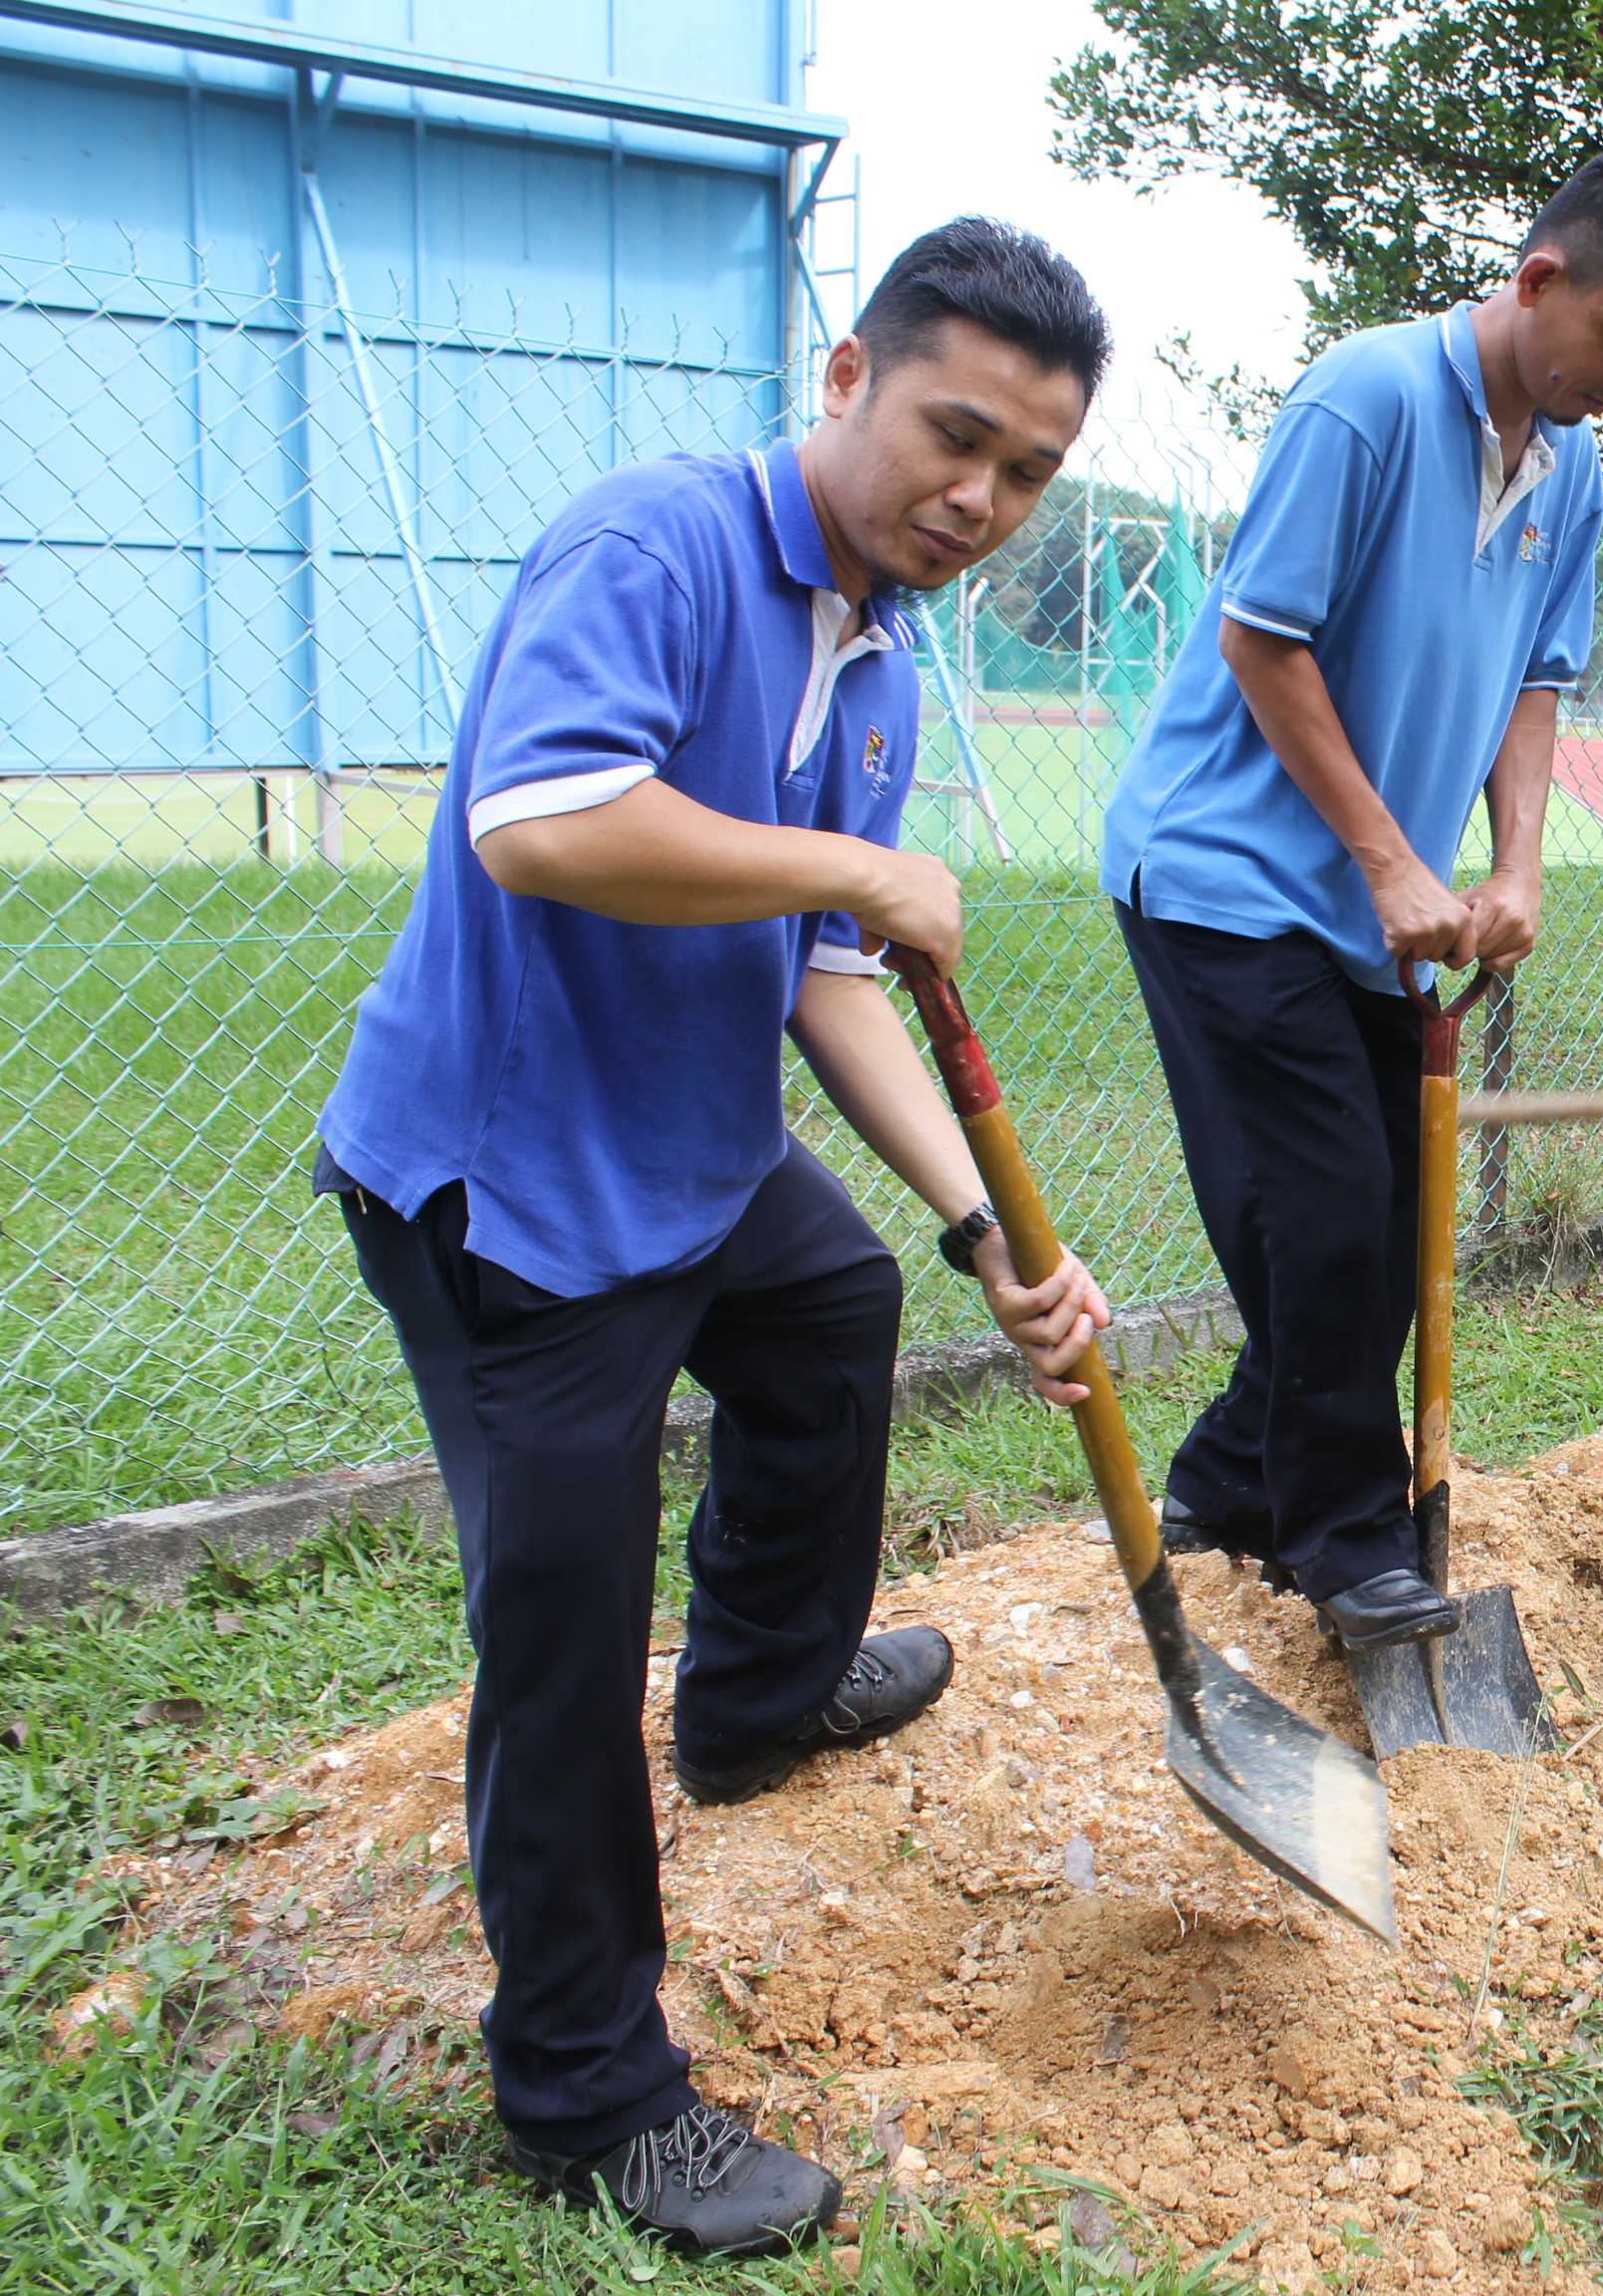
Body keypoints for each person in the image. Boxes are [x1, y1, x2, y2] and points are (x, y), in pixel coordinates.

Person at [313, 219, 1117, 2254]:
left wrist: (979, 1227)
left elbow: (831, 973)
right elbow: (541, 819)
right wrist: (854, 863)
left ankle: (758, 1699)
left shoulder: (882, 658)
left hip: (689, 1148)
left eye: (1029, 473)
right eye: (955, 437)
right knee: (562, 1631)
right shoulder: (656, 547)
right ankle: (587, 2086)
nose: (983, 499)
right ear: (848, 378)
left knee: (833, 1302)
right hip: (513, 1189)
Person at [1099, 148, 1603, 1649]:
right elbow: (1262, 641)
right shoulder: (1366, 398)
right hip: (1223, 877)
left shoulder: (1569, 468)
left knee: (1391, 1223)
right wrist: (1392, 860)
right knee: (1324, 1216)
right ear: (1539, 280)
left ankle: (1227, 1485)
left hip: (1372, 907)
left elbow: (1538, 680)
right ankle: (1349, 1540)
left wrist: (1516, 864)